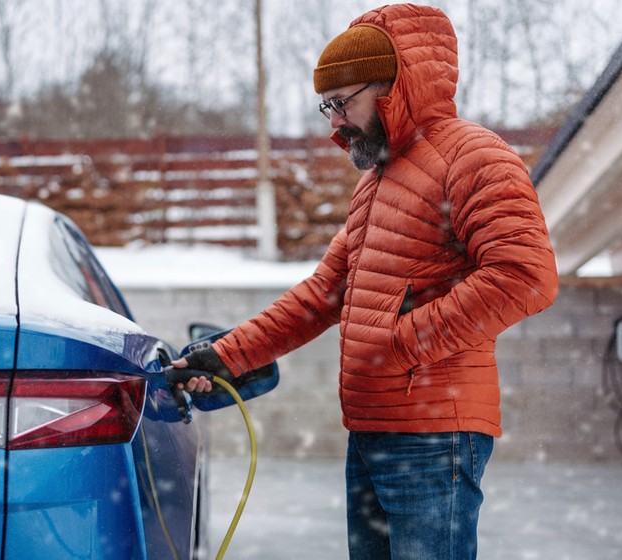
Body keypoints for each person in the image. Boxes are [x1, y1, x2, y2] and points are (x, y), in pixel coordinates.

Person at [172, 4, 558, 559]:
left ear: (392, 88)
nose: (334, 122)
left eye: (342, 102)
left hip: (434, 437)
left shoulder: (474, 157)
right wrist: (227, 355)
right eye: (326, 106)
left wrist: (399, 343)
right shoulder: (377, 182)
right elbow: (322, 295)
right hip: (372, 430)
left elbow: (525, 276)